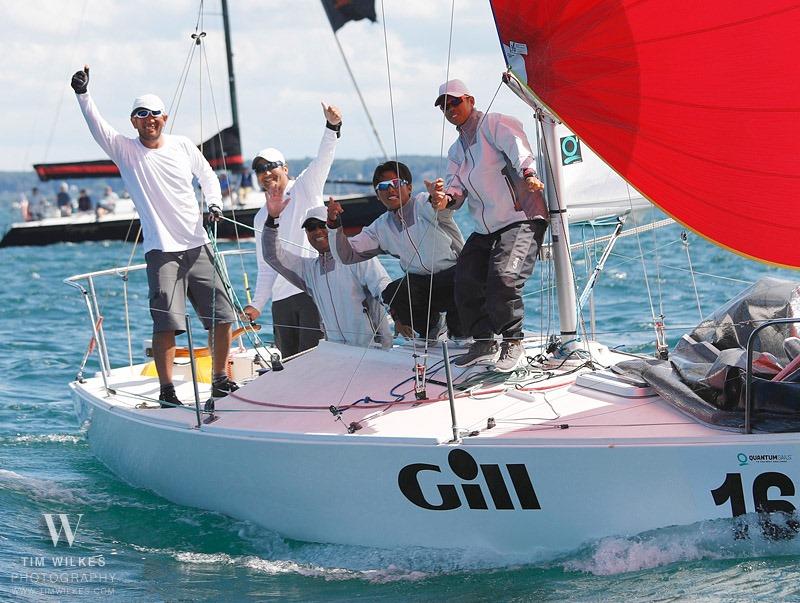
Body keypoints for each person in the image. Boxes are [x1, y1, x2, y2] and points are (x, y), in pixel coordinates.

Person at [70, 65, 239, 407]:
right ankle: (167, 391)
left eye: (155, 114)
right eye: (141, 114)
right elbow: (97, 126)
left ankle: (220, 379)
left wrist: (215, 204)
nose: (149, 119)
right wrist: (83, 94)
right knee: (166, 325)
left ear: (165, 117)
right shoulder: (126, 151)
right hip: (162, 252)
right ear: (133, 121)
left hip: (198, 245)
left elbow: (207, 175)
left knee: (223, 316)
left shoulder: (182, 145)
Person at [426, 79, 548, 373]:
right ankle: (483, 343)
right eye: (444, 106)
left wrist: (529, 174)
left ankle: (513, 342)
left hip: (520, 219)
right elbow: (456, 190)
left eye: (454, 102)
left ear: (470, 99)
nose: (449, 109)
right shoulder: (456, 150)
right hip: (486, 228)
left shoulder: (494, 124)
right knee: (465, 278)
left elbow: (519, 149)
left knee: (503, 278)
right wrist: (442, 200)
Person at [242, 103, 342, 358]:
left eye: (270, 166)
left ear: (285, 168)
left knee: (316, 361)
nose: (265, 173)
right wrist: (256, 305)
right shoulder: (261, 216)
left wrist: (331, 127)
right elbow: (266, 266)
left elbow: (323, 160)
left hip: (311, 291)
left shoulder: (304, 188)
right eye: (259, 169)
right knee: (290, 365)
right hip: (281, 302)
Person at [327, 161, 464, 341]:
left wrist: (439, 199)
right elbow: (346, 255)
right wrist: (334, 225)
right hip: (422, 285)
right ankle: (432, 328)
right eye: (383, 186)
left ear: (409, 187)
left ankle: (466, 336)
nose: (391, 189)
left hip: (453, 276)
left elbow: (440, 205)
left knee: (463, 318)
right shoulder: (380, 227)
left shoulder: (423, 203)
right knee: (394, 292)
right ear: (377, 195)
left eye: (397, 183)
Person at [262, 205, 392, 348]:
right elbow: (273, 256)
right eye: (311, 227)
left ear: (332, 226)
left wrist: (398, 315)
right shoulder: (309, 270)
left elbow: (382, 286)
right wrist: (272, 219)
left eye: (322, 225)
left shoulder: (357, 257)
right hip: (336, 351)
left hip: (372, 349)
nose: (317, 231)